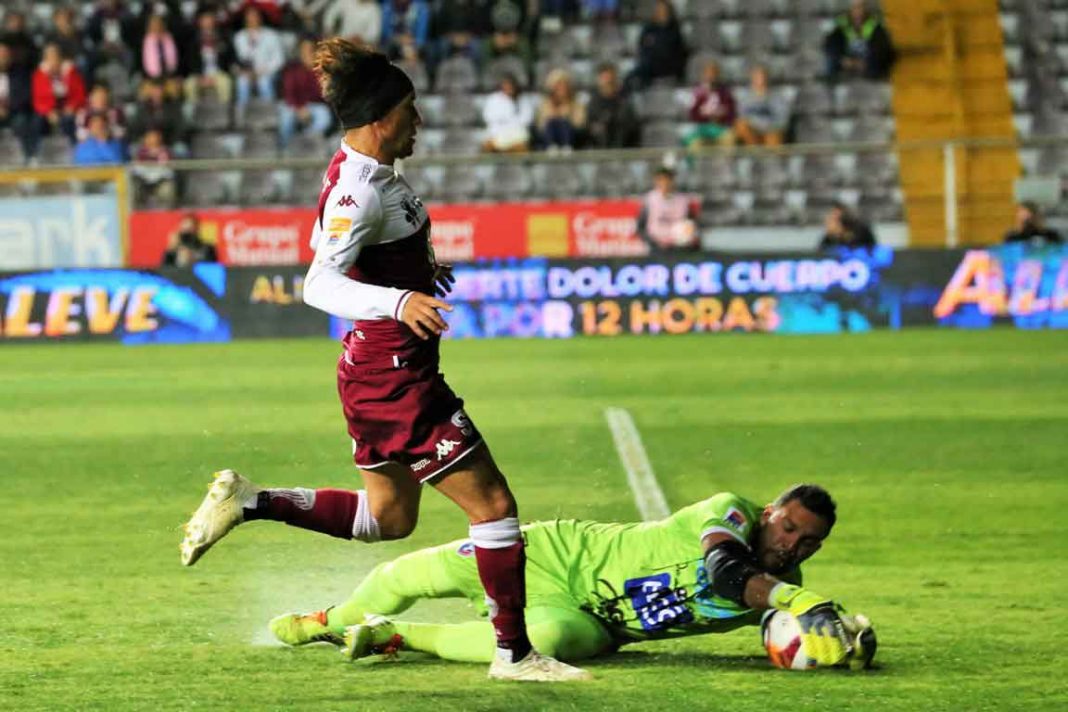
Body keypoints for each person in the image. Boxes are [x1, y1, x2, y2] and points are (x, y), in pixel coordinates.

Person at [179, 38, 587, 684]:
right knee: (492, 506)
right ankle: (514, 654)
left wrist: (416, 274)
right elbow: (318, 282)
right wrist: (399, 299)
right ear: (379, 119)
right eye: (409, 111)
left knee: (387, 519)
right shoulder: (358, 191)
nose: (418, 120)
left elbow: (336, 242)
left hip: (376, 372)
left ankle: (252, 502)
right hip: (395, 378)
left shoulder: (367, 174)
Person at [267, 484, 873, 669]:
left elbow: (785, 627)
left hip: (592, 624)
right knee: (406, 575)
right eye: (787, 527)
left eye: (807, 542)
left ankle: (394, 638)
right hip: (556, 554)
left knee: (545, 643)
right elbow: (723, 571)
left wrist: (849, 639)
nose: (791, 545)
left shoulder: (782, 588)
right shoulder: (730, 512)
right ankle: (330, 620)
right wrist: (803, 599)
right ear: (768, 513)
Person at [279, 38, 333, 148]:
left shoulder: (322, 71)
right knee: (285, 117)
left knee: (324, 117)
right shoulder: (292, 69)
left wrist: (312, 70)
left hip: (315, 106)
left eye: (310, 50)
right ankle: (285, 149)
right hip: (293, 105)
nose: (306, 54)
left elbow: (323, 95)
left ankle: (306, 142)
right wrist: (299, 108)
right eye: (303, 50)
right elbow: (289, 94)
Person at [824, 0, 896, 81]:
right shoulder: (842, 23)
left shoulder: (874, 24)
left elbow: (881, 48)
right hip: (847, 59)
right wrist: (841, 58)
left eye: (861, 7)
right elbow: (830, 43)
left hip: (868, 61)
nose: (858, 11)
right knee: (831, 55)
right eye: (855, 7)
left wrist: (865, 62)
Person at [31, 42, 86, 144]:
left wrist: (72, 107)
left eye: (55, 57)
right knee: (38, 121)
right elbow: (38, 100)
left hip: (69, 109)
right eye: (50, 58)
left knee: (69, 119)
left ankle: (73, 146)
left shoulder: (71, 72)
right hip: (48, 110)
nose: (53, 61)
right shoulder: (39, 75)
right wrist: (48, 111)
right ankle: (39, 149)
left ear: (61, 58)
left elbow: (80, 95)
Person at [233, 6, 286, 110]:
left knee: (264, 82)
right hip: (247, 73)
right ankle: (242, 112)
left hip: (267, 72)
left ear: (260, 18)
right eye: (250, 16)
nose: (252, 19)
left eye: (255, 16)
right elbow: (237, 60)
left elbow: (279, 59)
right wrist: (242, 71)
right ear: (245, 18)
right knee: (242, 82)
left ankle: (268, 112)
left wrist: (264, 70)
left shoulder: (271, 35)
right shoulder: (239, 37)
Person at [637, 167, 700, 252]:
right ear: (656, 182)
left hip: (679, 247)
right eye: (660, 180)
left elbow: (691, 224)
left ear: (672, 181)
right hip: (657, 248)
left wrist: (688, 235)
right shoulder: (650, 199)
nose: (664, 183)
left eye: (667, 180)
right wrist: (652, 243)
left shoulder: (683, 200)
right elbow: (640, 227)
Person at [629, 0, 687, 90]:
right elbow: (642, 48)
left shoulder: (675, 31)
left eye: (664, 10)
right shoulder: (648, 29)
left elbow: (679, 54)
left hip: (668, 69)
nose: (662, 13)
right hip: (648, 69)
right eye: (659, 10)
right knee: (631, 77)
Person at [183, 10, 235, 104]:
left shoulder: (223, 37)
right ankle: (193, 110)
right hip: (199, 74)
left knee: (225, 83)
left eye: (210, 20)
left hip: (218, 73)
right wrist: (200, 76)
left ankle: (224, 110)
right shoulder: (193, 40)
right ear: (200, 22)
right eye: (205, 20)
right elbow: (190, 61)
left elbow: (229, 58)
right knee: (189, 84)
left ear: (214, 22)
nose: (207, 23)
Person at [585, 62, 640, 149]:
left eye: (611, 80)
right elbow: (589, 130)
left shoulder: (625, 104)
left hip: (624, 150)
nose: (608, 82)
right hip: (600, 151)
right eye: (605, 79)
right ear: (599, 80)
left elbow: (633, 132)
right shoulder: (593, 105)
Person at [683, 59, 736, 148]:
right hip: (701, 128)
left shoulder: (726, 93)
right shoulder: (697, 93)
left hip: (719, 127)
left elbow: (731, 113)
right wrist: (706, 114)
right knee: (695, 143)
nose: (711, 76)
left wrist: (721, 115)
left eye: (713, 73)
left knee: (730, 137)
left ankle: (725, 158)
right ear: (704, 75)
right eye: (708, 73)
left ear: (717, 75)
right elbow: (692, 114)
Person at [734, 65, 790, 147]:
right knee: (740, 124)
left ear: (767, 78)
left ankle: (770, 154)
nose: (760, 79)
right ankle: (755, 150)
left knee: (774, 137)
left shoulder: (777, 96)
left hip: (771, 128)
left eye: (762, 76)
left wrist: (768, 127)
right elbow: (742, 115)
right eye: (756, 77)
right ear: (752, 78)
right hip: (753, 129)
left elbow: (782, 119)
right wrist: (756, 124)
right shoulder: (745, 96)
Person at [535, 69, 586, 152]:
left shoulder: (576, 103)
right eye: (558, 85)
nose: (562, 88)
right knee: (551, 123)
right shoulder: (545, 104)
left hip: (572, 138)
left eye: (564, 85)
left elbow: (580, 124)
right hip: (550, 139)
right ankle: (551, 147)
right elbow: (541, 126)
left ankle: (566, 147)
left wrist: (566, 113)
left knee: (564, 123)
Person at [481, 72, 532, 153]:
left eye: (510, 85)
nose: (508, 87)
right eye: (505, 85)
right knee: (488, 145)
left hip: (517, 135)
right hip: (497, 133)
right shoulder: (493, 99)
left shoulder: (523, 100)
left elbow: (527, 120)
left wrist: (509, 122)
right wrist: (507, 120)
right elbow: (488, 117)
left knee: (521, 147)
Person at [132, 127, 176, 207]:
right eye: (149, 137)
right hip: (143, 179)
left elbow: (168, 167)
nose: (152, 139)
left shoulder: (165, 151)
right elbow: (136, 167)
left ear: (159, 138)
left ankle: (165, 210)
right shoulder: (140, 152)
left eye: (154, 137)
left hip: (160, 179)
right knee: (134, 188)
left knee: (167, 190)